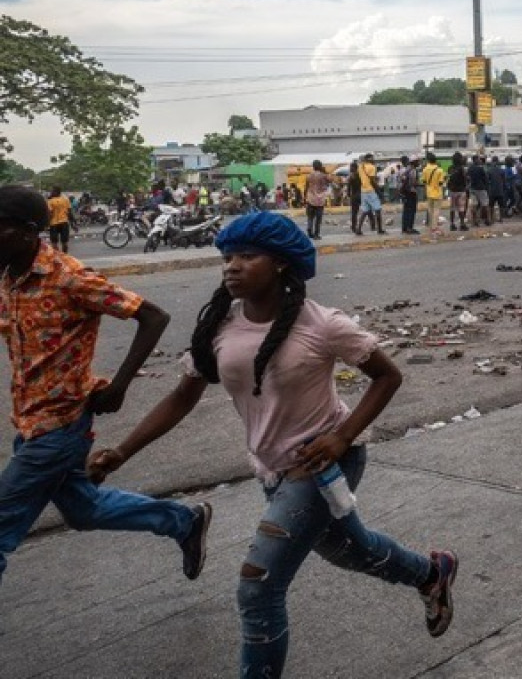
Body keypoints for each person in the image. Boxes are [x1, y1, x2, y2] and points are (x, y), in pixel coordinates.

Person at [89, 212, 458, 675]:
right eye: (227, 257)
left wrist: (342, 437)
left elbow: (387, 376)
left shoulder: (322, 324)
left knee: (257, 587)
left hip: (323, 467)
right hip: (272, 469)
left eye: (247, 255)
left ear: (282, 263)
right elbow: (182, 396)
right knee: (352, 550)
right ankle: (430, 573)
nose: (232, 266)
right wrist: (122, 451)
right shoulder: (219, 328)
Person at [0, 185, 210, 587]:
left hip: (59, 427)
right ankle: (184, 521)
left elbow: (153, 316)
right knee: (84, 510)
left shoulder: (69, 277)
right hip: (29, 422)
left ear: (28, 231)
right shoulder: (10, 277)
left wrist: (120, 385)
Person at [304, 160, 335, 240]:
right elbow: (331, 180)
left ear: (313, 167)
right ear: (320, 166)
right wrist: (325, 171)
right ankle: (316, 234)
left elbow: (306, 187)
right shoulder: (323, 176)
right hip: (320, 200)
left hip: (310, 198)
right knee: (318, 218)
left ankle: (309, 230)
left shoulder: (309, 176)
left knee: (310, 217)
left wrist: (305, 197)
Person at [358, 153, 386, 235]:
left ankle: (358, 229)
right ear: (369, 159)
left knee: (365, 210)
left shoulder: (361, 167)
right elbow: (372, 181)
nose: (374, 160)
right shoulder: (371, 167)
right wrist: (380, 193)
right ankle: (380, 229)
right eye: (372, 158)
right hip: (371, 191)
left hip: (363, 191)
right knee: (377, 209)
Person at [421, 152, 446, 235]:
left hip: (429, 192)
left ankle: (431, 226)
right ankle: (434, 227)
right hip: (437, 192)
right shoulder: (440, 170)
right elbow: (441, 183)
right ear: (435, 161)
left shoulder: (425, 169)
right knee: (436, 210)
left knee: (430, 210)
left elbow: (424, 181)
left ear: (428, 160)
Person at [446, 152, 470, 232]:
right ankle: (462, 224)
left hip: (452, 190)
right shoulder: (461, 168)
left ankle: (452, 224)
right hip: (461, 190)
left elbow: (448, 179)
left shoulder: (450, 168)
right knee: (461, 208)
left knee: (452, 208)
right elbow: (465, 179)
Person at [467, 155, 491, 227]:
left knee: (474, 205)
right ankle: (487, 220)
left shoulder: (470, 168)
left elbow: (468, 178)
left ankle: (475, 221)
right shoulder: (480, 168)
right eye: (478, 159)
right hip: (481, 189)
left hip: (473, 188)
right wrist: (487, 187)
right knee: (485, 204)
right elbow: (485, 179)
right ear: (476, 160)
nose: (480, 160)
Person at [45, 186, 72, 252]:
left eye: (52, 191)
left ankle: (58, 258)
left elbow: (50, 214)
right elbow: (70, 212)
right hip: (64, 223)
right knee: (65, 243)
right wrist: (74, 224)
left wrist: (46, 224)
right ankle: (65, 257)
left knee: (54, 243)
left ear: (56, 192)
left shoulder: (50, 201)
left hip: (54, 224)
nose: (50, 192)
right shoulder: (66, 199)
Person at [398, 155, 420, 234]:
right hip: (411, 192)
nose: (419, 163)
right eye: (418, 161)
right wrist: (418, 184)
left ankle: (404, 228)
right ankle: (410, 228)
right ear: (414, 162)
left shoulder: (402, 170)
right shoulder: (413, 170)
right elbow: (414, 183)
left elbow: (400, 181)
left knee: (406, 210)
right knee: (411, 210)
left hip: (404, 192)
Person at [346, 159, 363, 235]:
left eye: (351, 167)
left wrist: (348, 194)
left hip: (354, 195)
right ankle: (372, 225)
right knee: (365, 211)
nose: (350, 168)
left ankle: (354, 227)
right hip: (361, 194)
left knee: (354, 212)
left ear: (353, 167)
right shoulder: (360, 174)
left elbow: (348, 187)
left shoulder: (351, 176)